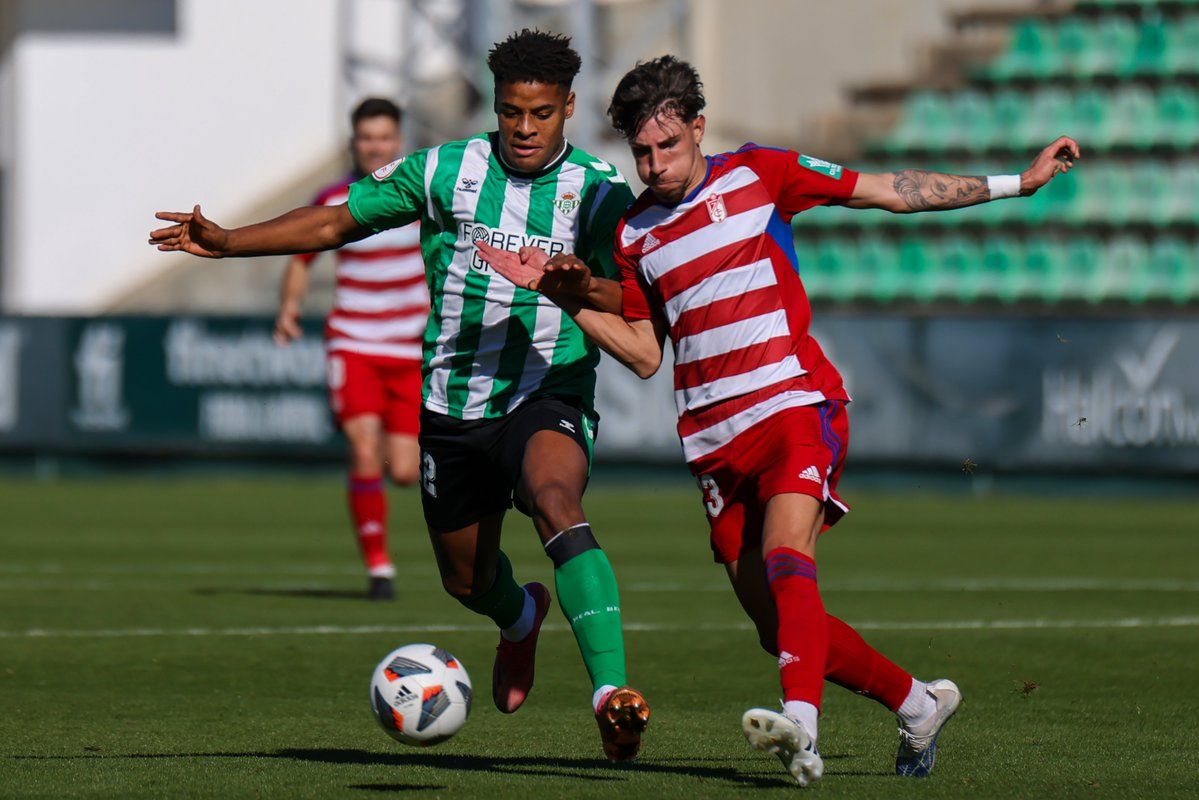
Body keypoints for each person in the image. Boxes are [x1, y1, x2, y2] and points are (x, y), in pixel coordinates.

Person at [475, 55, 1080, 785]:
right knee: (775, 626)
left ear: (698, 128)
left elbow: (892, 190)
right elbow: (640, 353)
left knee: (788, 554)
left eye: (667, 146)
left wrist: (1022, 180)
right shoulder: (636, 233)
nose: (654, 163)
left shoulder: (760, 172)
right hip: (711, 443)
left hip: (793, 404)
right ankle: (916, 702)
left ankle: (802, 726)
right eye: (640, 151)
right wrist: (560, 293)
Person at [149, 30, 650, 761]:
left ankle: (612, 693)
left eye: (540, 114)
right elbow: (334, 221)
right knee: (465, 581)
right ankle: (518, 619)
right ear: (494, 103)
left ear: (568, 107)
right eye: (511, 111)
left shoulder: (599, 189)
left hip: (548, 388)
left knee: (555, 500)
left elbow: (634, 290)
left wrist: (584, 287)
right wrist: (228, 241)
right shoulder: (444, 170)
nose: (524, 128)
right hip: (451, 404)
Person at [274, 98, 427, 601]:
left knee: (404, 471)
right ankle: (379, 568)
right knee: (363, 449)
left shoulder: (422, 191)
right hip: (354, 343)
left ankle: (384, 520)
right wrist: (290, 309)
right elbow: (301, 257)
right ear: (354, 143)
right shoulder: (336, 198)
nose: (375, 146)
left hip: (411, 350)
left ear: (398, 139)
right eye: (367, 138)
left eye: (384, 137)